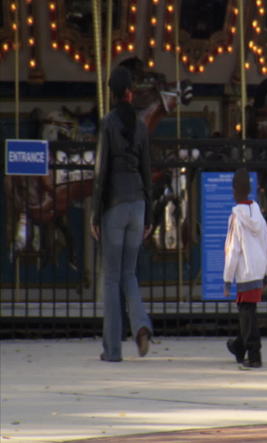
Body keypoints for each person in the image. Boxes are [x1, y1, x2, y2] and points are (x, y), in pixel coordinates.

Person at [91, 65, 153, 362]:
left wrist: (94, 214)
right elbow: (146, 171)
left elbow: (101, 172)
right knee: (129, 274)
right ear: (130, 92)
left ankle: (112, 350)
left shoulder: (108, 124)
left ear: (113, 94)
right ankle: (141, 325)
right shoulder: (141, 125)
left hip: (114, 205)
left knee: (111, 277)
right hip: (138, 204)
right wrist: (150, 217)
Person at [224, 168, 267, 369]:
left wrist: (227, 278)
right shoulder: (258, 214)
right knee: (248, 311)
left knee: (246, 312)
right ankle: (239, 346)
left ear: (235, 189)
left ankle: (254, 353)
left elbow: (232, 249)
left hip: (245, 270)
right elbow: (266, 242)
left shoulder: (236, 217)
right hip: (259, 267)